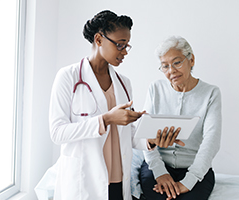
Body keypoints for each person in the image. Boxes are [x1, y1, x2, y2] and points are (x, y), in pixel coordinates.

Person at [38, 11, 183, 200]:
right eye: (120, 45)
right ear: (99, 39)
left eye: (127, 46)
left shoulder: (123, 83)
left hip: (117, 179)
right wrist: (105, 119)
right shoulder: (68, 77)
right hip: (84, 179)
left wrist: (151, 140)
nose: (124, 52)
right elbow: (57, 133)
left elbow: (127, 134)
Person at [131, 36, 222, 200]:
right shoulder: (155, 88)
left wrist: (189, 180)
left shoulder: (211, 93)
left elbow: (212, 140)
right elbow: (145, 135)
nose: (171, 70)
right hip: (157, 165)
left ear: (191, 60)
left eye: (177, 63)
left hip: (195, 168)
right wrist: (160, 173)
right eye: (164, 66)